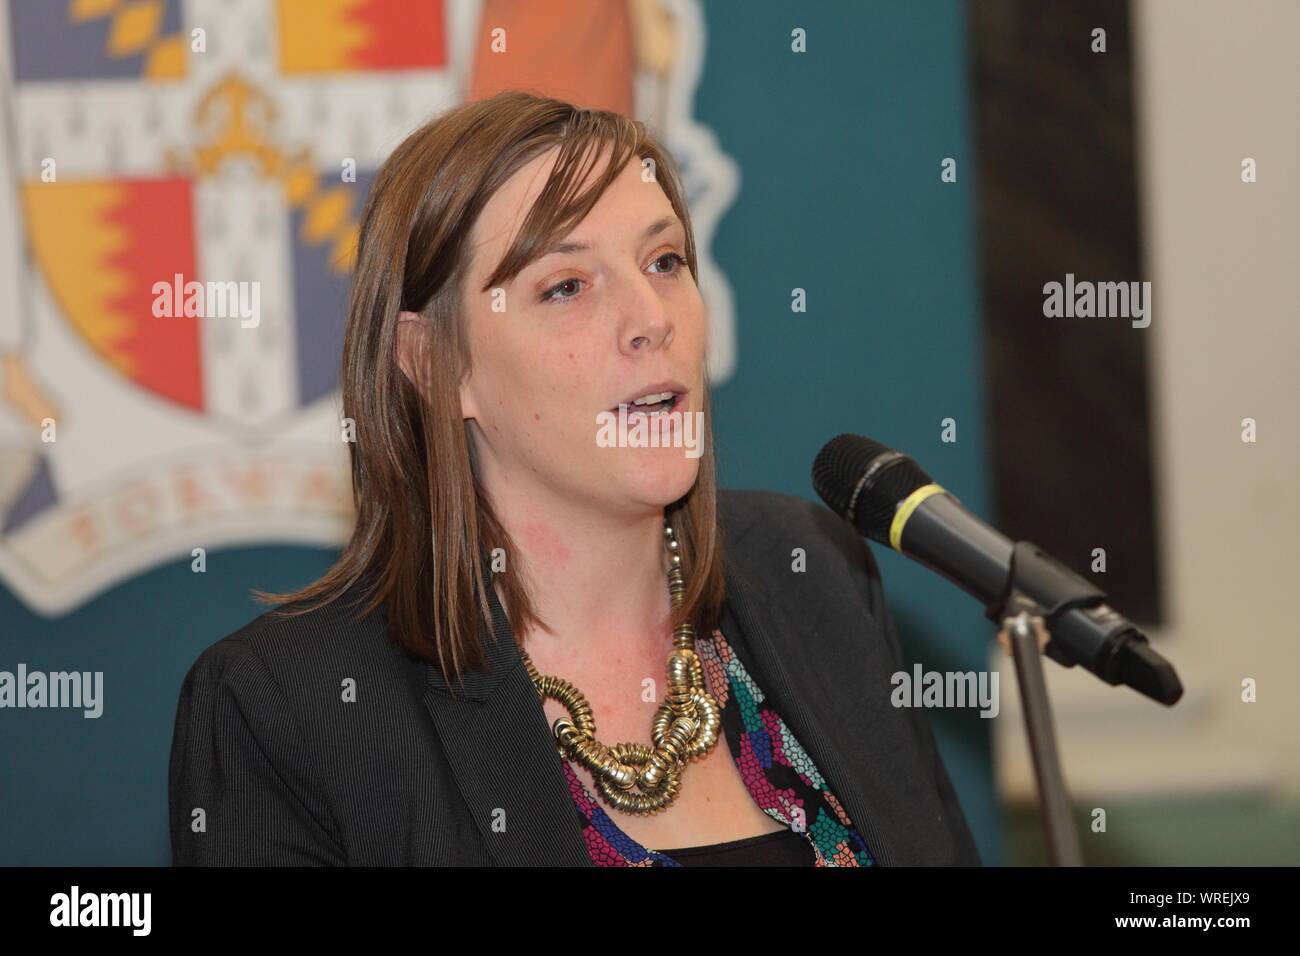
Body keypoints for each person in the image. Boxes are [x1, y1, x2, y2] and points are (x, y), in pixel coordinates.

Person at [167, 90, 981, 867]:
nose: (652, 319)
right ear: (433, 367)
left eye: (665, 261)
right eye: (566, 286)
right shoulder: (289, 706)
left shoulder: (810, 573)